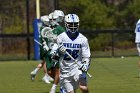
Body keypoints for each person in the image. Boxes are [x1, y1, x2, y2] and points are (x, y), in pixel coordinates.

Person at [51, 14, 91, 93]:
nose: (73, 27)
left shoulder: (83, 39)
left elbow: (86, 56)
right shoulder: (60, 38)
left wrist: (85, 65)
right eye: (70, 25)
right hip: (65, 71)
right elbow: (53, 58)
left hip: (77, 68)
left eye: (75, 24)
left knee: (83, 87)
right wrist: (58, 52)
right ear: (66, 24)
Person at [43, 11, 65, 93]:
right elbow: (45, 39)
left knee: (57, 71)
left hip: (56, 53)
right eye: (50, 19)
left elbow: (65, 40)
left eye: (54, 19)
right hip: (49, 53)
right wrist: (44, 44)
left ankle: (54, 88)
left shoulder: (60, 29)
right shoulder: (47, 29)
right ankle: (62, 83)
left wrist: (58, 42)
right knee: (49, 72)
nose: (52, 20)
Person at [30, 15, 54, 84]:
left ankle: (35, 72)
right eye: (47, 21)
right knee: (46, 61)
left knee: (45, 61)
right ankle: (46, 76)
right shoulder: (44, 28)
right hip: (44, 47)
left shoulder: (46, 28)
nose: (49, 22)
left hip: (48, 46)